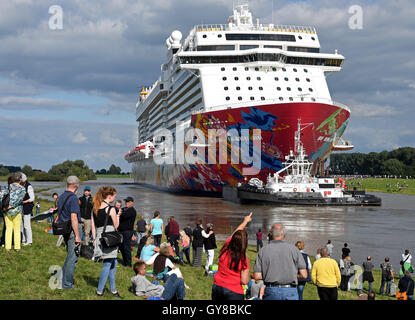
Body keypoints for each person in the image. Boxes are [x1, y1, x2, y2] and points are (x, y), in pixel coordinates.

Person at [253, 223, 307, 300]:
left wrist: (270, 275)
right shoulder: (294, 250)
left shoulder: (263, 251)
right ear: (284, 235)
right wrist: (291, 275)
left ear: (270, 234)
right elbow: (304, 275)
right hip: (290, 291)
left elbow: (257, 276)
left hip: (271, 290)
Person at [212, 213, 252, 301]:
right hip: (234, 292)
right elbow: (244, 281)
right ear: (244, 243)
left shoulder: (225, 248)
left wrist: (245, 221)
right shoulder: (244, 259)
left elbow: (236, 231)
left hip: (217, 287)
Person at [91, 186, 121, 298]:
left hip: (99, 237)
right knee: (107, 264)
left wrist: (94, 239)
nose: (115, 198)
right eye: (115, 196)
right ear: (110, 196)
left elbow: (93, 227)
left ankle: (113, 290)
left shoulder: (95, 208)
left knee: (114, 262)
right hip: (110, 237)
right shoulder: (111, 209)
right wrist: (118, 215)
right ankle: (100, 291)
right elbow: (116, 225)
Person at [57, 176, 82, 289]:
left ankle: (62, 279)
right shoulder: (73, 198)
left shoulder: (61, 196)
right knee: (73, 258)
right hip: (72, 229)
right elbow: (74, 218)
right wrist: (77, 236)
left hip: (64, 229)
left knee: (69, 255)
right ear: (76, 185)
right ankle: (67, 284)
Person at [0, 173, 26, 251]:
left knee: (8, 228)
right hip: (17, 211)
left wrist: (4, 207)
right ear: (20, 179)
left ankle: (7, 247)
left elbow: (1, 197)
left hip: (6, 211)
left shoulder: (6, 187)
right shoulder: (22, 189)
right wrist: (12, 205)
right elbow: (20, 199)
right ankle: (17, 247)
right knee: (17, 229)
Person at [118, 196, 137, 267]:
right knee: (121, 247)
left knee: (126, 248)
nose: (126, 203)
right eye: (126, 201)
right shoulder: (124, 209)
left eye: (128, 202)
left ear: (131, 203)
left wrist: (119, 214)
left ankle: (128, 264)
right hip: (121, 231)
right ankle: (125, 262)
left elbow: (123, 216)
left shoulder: (132, 210)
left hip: (127, 232)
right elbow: (118, 211)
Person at [20, 173, 34, 247]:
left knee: (26, 225)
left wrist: (24, 202)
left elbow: (32, 198)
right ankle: (23, 239)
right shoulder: (19, 185)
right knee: (21, 225)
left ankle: (29, 241)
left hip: (27, 207)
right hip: (21, 207)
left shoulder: (29, 186)